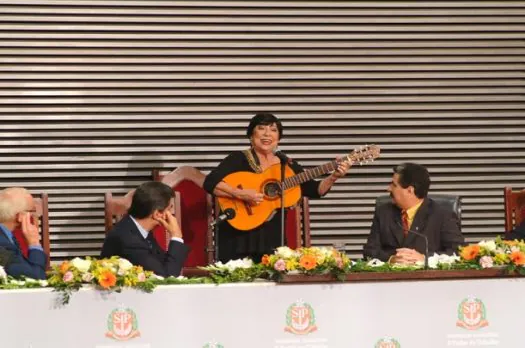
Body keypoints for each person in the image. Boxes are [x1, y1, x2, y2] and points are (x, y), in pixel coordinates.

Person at [203, 113, 351, 262]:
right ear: (251, 135)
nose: (267, 133)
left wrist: (333, 177)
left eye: (273, 130)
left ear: (278, 138)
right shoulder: (237, 158)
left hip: (273, 239)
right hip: (237, 238)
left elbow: (315, 189)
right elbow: (210, 183)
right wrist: (240, 194)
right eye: (261, 128)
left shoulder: (286, 164)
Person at [363, 162, 464, 264]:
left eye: (394, 185)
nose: (388, 188)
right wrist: (391, 259)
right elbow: (369, 252)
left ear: (410, 190)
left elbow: (459, 252)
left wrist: (425, 259)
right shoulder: (384, 212)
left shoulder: (442, 215)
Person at [101, 182, 189, 277]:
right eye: (170, 208)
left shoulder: (138, 230)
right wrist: (176, 236)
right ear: (157, 214)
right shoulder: (129, 240)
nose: (171, 213)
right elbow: (167, 277)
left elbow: (163, 264)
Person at [0, 187, 47, 279]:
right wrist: (34, 244)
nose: (34, 216)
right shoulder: (3, 245)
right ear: (20, 216)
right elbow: (36, 278)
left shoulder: (7, 237)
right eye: (32, 212)